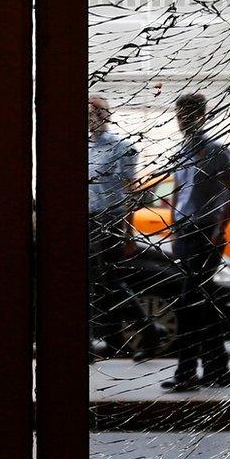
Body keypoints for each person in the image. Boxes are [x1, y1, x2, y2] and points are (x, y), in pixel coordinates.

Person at [163, 93, 230, 392]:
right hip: (184, 233)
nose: (184, 120)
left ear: (203, 116)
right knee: (202, 304)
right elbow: (178, 190)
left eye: (190, 114)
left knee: (187, 304)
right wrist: (173, 226)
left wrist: (221, 229)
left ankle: (187, 373)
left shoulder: (219, 151)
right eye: (180, 114)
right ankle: (218, 371)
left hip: (206, 232)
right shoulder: (181, 152)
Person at [87, 96, 137, 356]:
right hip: (89, 220)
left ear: (106, 116)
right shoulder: (85, 147)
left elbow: (130, 191)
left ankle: (145, 333)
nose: (91, 118)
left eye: (96, 113)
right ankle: (107, 340)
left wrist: (129, 231)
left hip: (112, 220)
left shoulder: (122, 148)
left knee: (112, 281)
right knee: (93, 282)